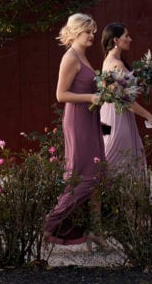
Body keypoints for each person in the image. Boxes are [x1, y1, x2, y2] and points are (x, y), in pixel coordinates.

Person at [43, 13, 107, 248]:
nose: (92, 35)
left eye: (93, 31)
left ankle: (95, 231)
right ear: (75, 32)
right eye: (88, 32)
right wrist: (91, 96)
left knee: (97, 175)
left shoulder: (84, 57)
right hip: (78, 119)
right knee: (84, 175)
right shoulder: (70, 57)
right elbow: (61, 94)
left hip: (90, 118)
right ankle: (50, 224)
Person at [99, 23, 152, 175]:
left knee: (119, 155)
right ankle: (111, 193)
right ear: (116, 40)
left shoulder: (109, 61)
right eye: (126, 36)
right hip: (117, 118)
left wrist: (144, 82)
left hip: (109, 115)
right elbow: (124, 101)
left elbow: (121, 91)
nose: (130, 39)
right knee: (118, 156)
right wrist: (150, 117)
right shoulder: (116, 66)